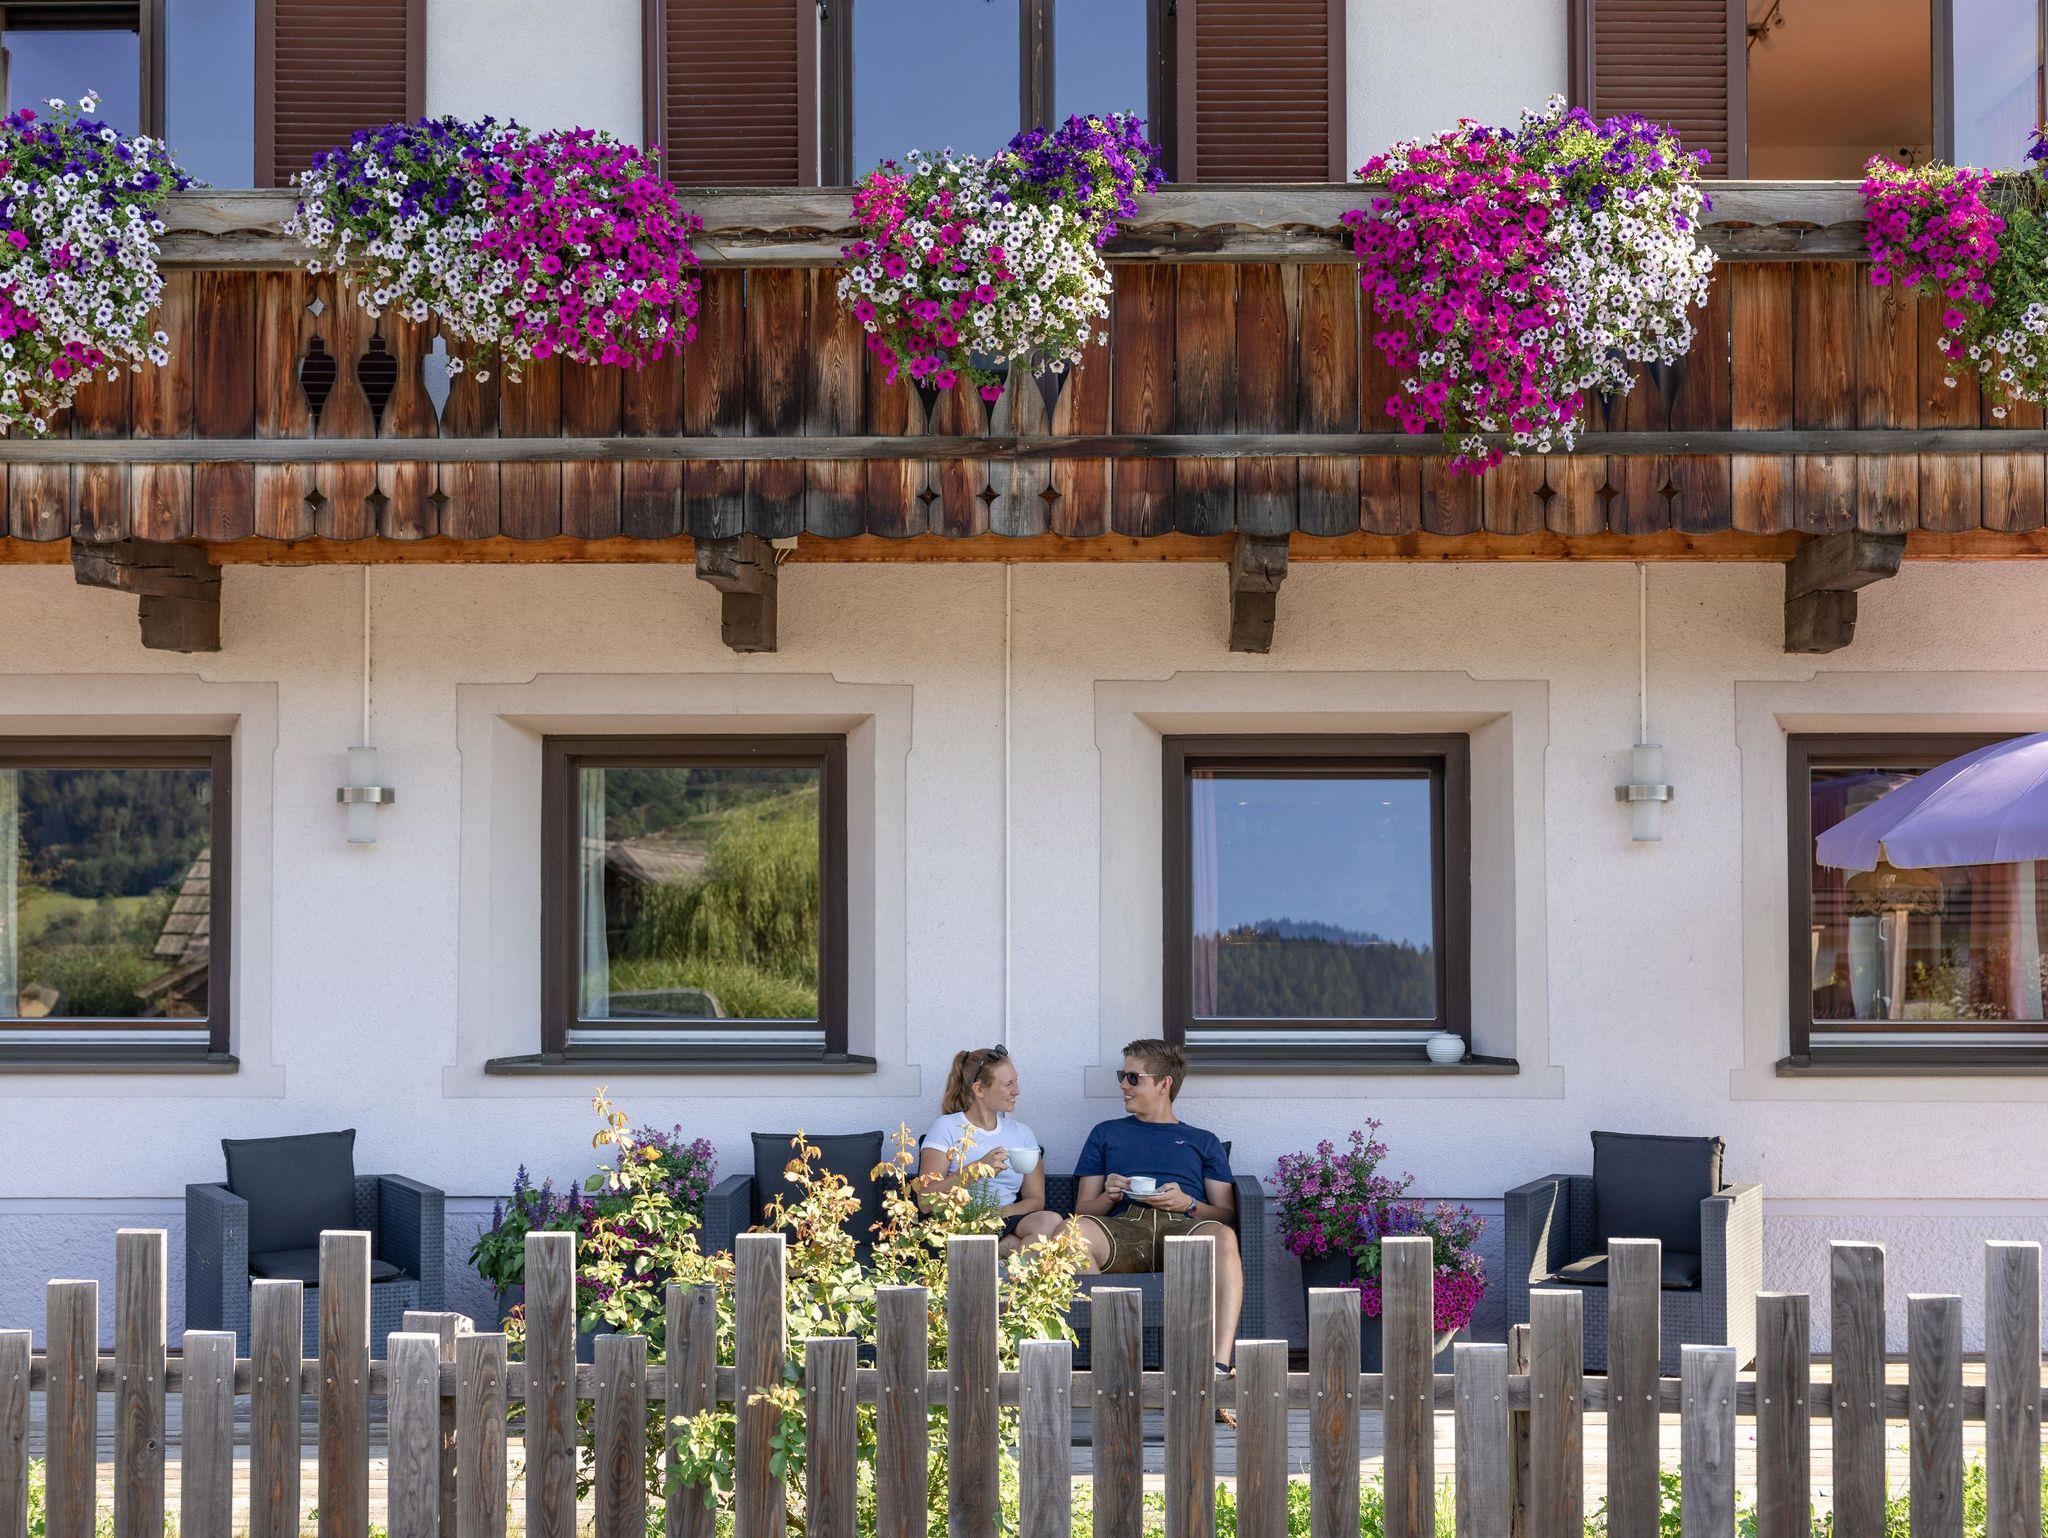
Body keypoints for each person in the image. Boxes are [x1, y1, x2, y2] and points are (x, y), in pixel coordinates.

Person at [1072, 1038, 1243, 1394]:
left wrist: (1188, 1204)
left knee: (1224, 1238)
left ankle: (1217, 1368)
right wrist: (1107, 1195)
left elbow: (1226, 1215)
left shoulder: (1202, 1140)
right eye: (1122, 1076)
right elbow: (1081, 1211)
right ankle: (1117, 1360)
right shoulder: (1106, 1133)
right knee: (1070, 1234)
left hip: (1184, 1227)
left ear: (1164, 1084)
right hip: (1123, 1227)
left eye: (1133, 1077)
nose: (1123, 1084)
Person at [919, 1044, 1066, 1255]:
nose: (1017, 1091)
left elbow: (1036, 1200)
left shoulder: (1022, 1133)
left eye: (1016, 1081)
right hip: (959, 1222)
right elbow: (925, 1201)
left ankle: (997, 1258)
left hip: (1007, 1219)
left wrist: (998, 1213)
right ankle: (1003, 1261)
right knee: (1017, 1245)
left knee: (1050, 1221)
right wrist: (976, 1169)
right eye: (1008, 1084)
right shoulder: (947, 1127)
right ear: (979, 1090)